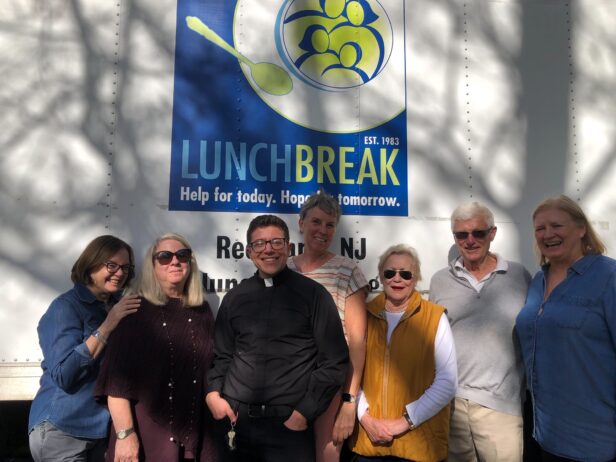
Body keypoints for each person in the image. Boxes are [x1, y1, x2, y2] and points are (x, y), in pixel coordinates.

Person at [206, 214, 349, 462]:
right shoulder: (235, 298)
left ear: (289, 247)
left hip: (289, 429)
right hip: (236, 422)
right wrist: (213, 394)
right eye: (260, 243)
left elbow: (334, 361)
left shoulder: (314, 295)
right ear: (249, 251)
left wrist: (304, 413)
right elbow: (222, 355)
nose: (268, 249)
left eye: (276, 242)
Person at [95, 233, 216, 461]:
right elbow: (115, 384)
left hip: (194, 431)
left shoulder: (202, 311)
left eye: (182, 255)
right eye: (165, 256)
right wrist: (125, 435)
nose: (175, 261)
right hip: (148, 436)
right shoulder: (135, 310)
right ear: (152, 265)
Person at [516, 195, 616, 461]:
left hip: (592, 439)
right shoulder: (538, 280)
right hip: (540, 431)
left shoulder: (609, 277)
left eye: (557, 225)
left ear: (581, 228)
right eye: (540, 228)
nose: (548, 234)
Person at [429, 202, 531, 461]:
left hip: (502, 408)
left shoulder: (519, 276)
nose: (470, 240)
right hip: (452, 406)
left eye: (478, 233)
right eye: (462, 234)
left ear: (492, 233)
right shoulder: (440, 280)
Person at [28, 235, 140, 462]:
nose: (120, 273)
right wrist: (108, 324)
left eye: (125, 268)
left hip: (101, 432)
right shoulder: (65, 307)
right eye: (112, 265)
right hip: (63, 429)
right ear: (91, 265)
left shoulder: (116, 305)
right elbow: (65, 374)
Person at [349, 244, 457, 461]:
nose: (397, 279)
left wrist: (405, 422)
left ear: (416, 278)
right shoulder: (364, 316)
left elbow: (447, 382)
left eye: (405, 274)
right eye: (390, 273)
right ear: (381, 277)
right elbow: (351, 372)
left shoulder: (435, 317)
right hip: (370, 442)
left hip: (419, 445)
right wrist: (366, 419)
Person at [287, 191, 368, 462]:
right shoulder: (284, 269)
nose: (322, 230)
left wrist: (349, 401)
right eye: (316, 222)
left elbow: (357, 340)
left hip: (329, 386)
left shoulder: (347, 271)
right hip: (288, 383)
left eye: (330, 224)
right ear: (301, 223)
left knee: (327, 456)